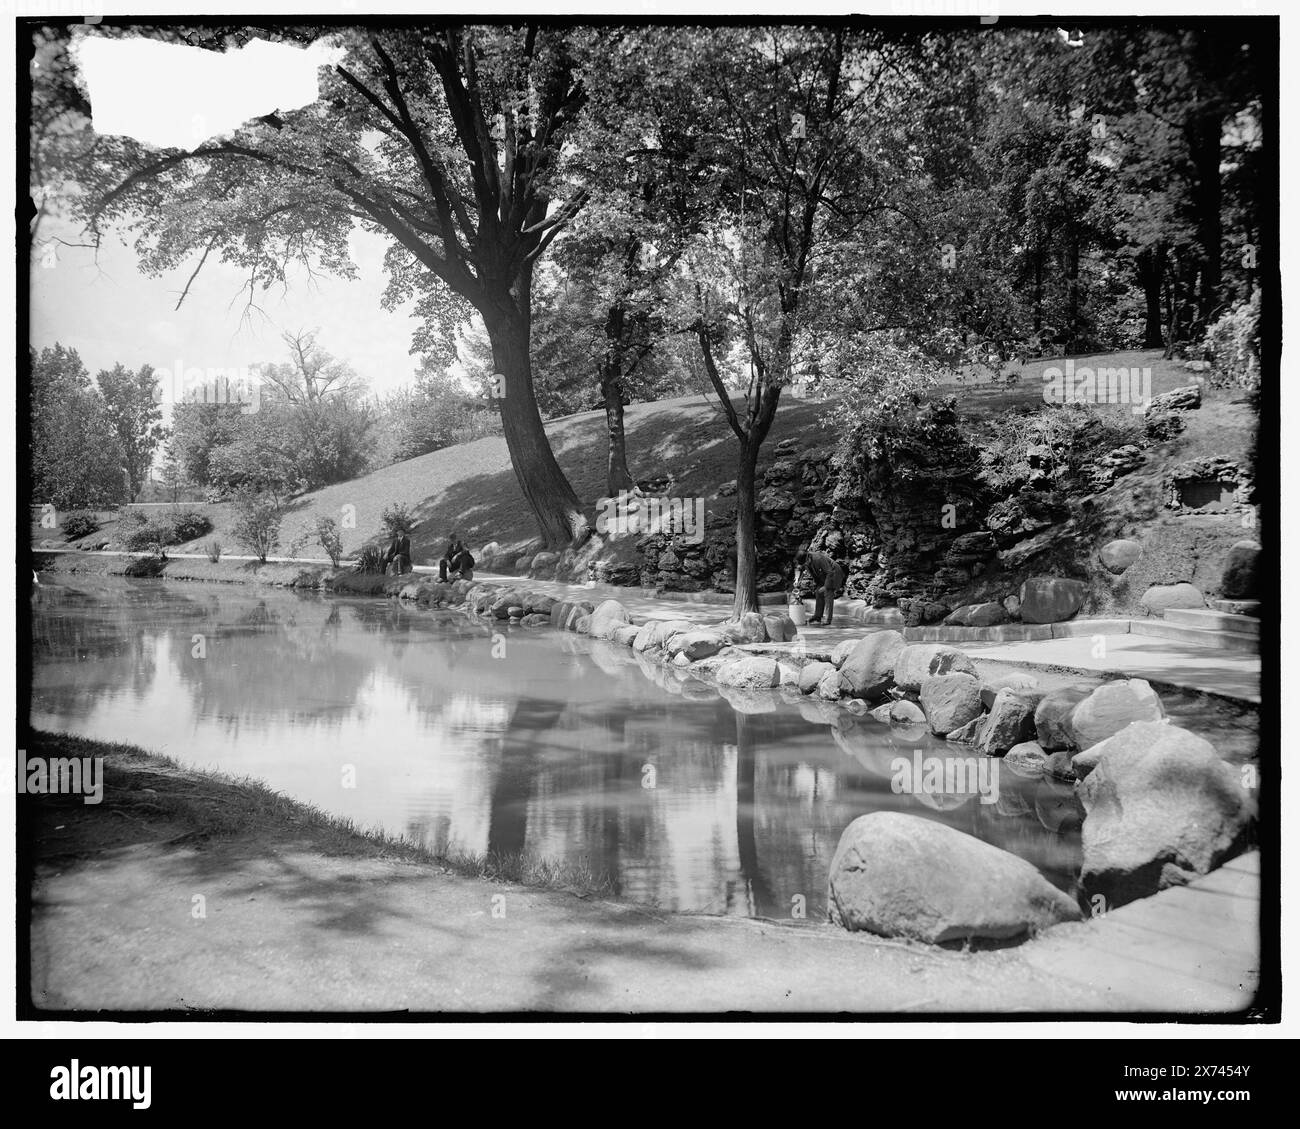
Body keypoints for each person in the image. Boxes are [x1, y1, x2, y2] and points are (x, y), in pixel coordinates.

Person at [794, 548, 845, 626]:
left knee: (827, 593)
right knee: (818, 592)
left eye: (805, 563)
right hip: (823, 576)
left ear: (808, 558)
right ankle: (818, 616)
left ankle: (828, 619)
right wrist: (797, 580)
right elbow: (800, 569)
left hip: (834, 574)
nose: (804, 565)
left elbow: (829, 572)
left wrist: (826, 586)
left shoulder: (818, 558)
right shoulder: (805, 560)